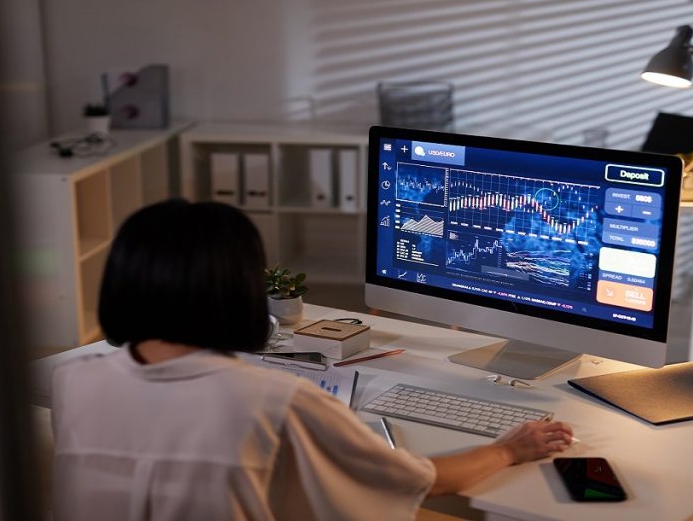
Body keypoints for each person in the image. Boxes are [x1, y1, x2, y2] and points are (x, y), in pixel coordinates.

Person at [51, 199, 573, 520]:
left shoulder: (73, 378)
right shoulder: (271, 402)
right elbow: (415, 480)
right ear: (239, 292)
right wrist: (509, 449)